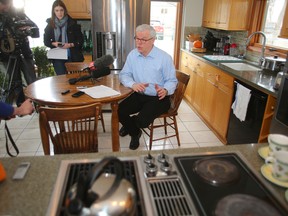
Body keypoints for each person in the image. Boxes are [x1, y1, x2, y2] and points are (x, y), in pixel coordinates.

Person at [118, 24, 178, 150]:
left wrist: (166, 90)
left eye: (143, 40)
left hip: (159, 98)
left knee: (142, 121)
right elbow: (124, 75)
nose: (139, 43)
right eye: (137, 38)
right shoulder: (133, 55)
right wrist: (133, 84)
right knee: (119, 111)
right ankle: (135, 132)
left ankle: (132, 126)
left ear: (153, 40)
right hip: (139, 95)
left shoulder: (164, 58)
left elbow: (172, 81)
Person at [0, 0, 39, 106]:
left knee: (32, 80)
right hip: (6, 55)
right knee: (15, 82)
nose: (6, 6)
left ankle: (37, 104)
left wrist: (27, 28)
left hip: (24, 53)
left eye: (8, 3)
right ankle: (21, 105)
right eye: (3, 4)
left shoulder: (19, 14)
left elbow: (35, 30)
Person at [44, 0, 84, 75]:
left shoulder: (72, 23)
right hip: (58, 56)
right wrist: (54, 44)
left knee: (75, 78)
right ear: (53, 12)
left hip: (73, 55)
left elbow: (80, 40)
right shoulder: (50, 25)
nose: (59, 13)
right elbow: (46, 41)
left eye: (61, 10)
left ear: (64, 10)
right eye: (57, 10)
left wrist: (70, 45)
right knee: (61, 79)